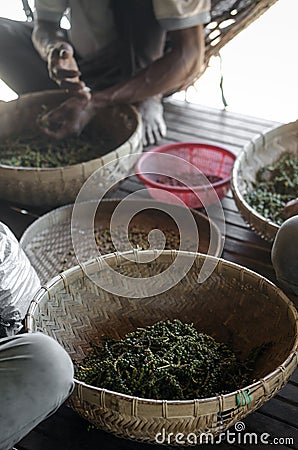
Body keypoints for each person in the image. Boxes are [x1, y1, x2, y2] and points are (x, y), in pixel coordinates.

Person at [0, 0, 211, 145]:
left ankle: (144, 97)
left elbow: (189, 55)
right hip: (82, 62)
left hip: (137, 69)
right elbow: (45, 25)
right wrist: (56, 51)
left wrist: (95, 102)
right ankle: (78, 100)